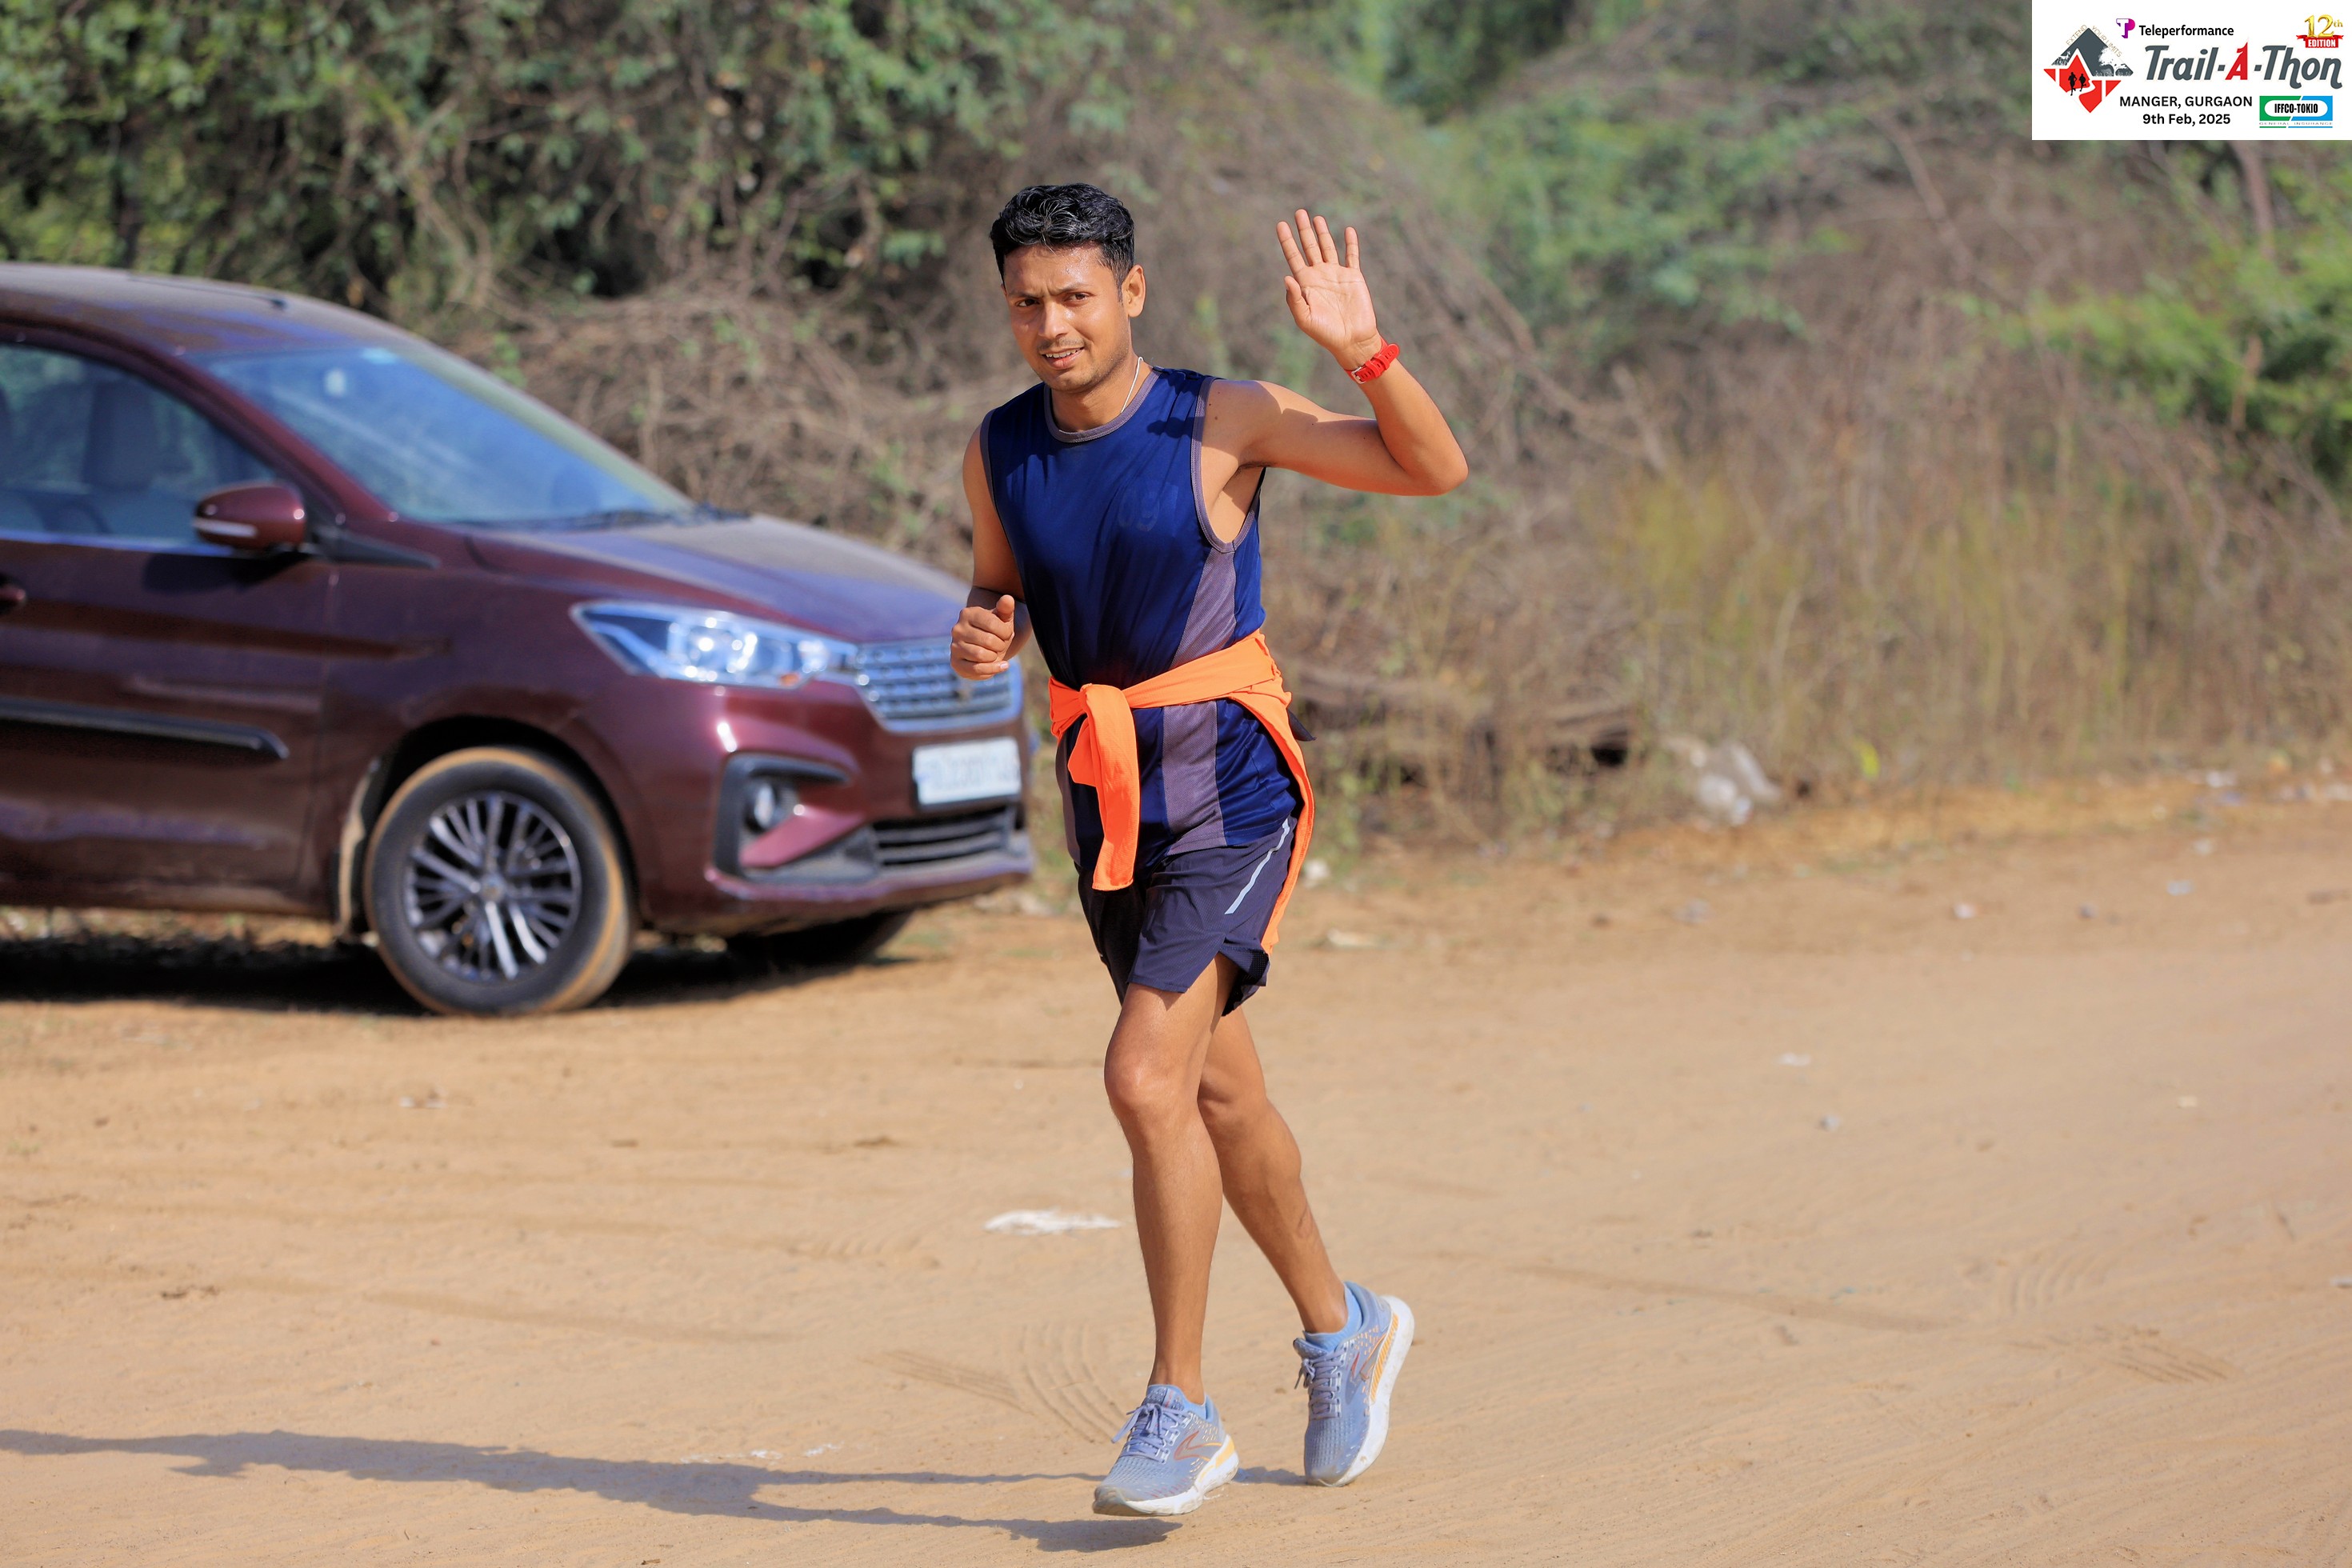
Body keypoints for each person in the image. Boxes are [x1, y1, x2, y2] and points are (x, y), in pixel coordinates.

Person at [948, 182, 1468, 1518]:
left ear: (1130, 291)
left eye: (1075, 296)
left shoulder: (1217, 417)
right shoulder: (999, 446)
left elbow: (1432, 469)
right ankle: (1343, 1325)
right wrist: (987, 627)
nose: (1052, 325)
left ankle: (1178, 1408)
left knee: (1141, 1078)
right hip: (1109, 805)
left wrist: (1363, 350)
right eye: (1026, 302)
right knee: (1216, 1098)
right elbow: (999, 583)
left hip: (1231, 791)